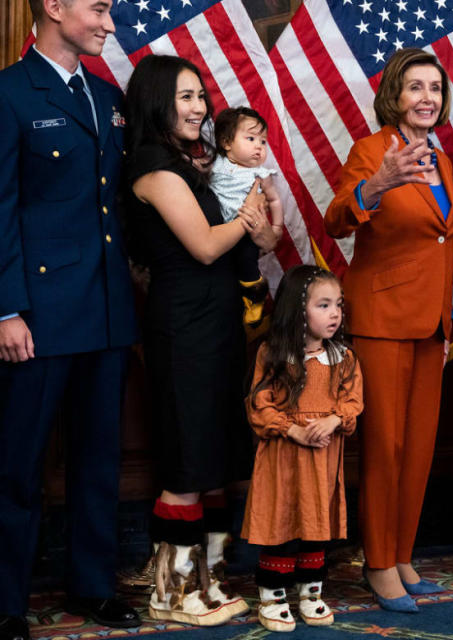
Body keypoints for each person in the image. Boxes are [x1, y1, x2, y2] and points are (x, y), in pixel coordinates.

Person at [0, 0, 141, 637]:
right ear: (54, 8)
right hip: (38, 315)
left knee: (99, 461)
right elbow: (0, 210)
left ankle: (91, 584)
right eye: (99, 8)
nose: (109, 23)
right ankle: (6, 601)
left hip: (106, 309)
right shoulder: (8, 93)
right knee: (19, 466)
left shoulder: (108, 95)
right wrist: (6, 309)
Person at [123, 54, 278, 624]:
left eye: (200, 96)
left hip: (215, 323)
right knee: (188, 457)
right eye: (185, 97)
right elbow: (206, 246)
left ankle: (205, 582)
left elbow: (237, 244)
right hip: (182, 325)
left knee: (211, 455)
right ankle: (170, 592)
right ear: (157, 101)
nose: (198, 108)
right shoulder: (153, 167)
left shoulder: (188, 166)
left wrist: (259, 230)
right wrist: (249, 213)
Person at [324, 48, 453, 613]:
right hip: (380, 322)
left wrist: (446, 323)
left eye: (434, 88)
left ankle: (403, 556)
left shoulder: (443, 159)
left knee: (419, 449)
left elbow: (440, 240)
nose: (426, 97)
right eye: (414, 88)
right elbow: (335, 220)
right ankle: (378, 563)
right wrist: (374, 187)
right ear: (394, 97)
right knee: (385, 447)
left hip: (430, 327)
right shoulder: (371, 152)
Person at [243, 265, 363, 632]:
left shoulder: (342, 357)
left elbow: (353, 400)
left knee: (317, 523)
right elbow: (260, 404)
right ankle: (273, 595)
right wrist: (292, 429)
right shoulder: (274, 354)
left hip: (323, 458)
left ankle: (311, 592)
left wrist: (333, 421)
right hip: (284, 456)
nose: (335, 314)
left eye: (338, 305)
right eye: (323, 305)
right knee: (282, 519)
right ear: (298, 310)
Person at [211, 107, 284, 329]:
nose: (258, 147)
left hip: (248, 231)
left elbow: (274, 201)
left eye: (263, 141)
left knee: (245, 260)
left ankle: (255, 295)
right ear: (226, 143)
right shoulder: (214, 164)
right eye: (250, 138)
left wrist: (277, 226)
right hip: (218, 228)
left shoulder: (260, 175)